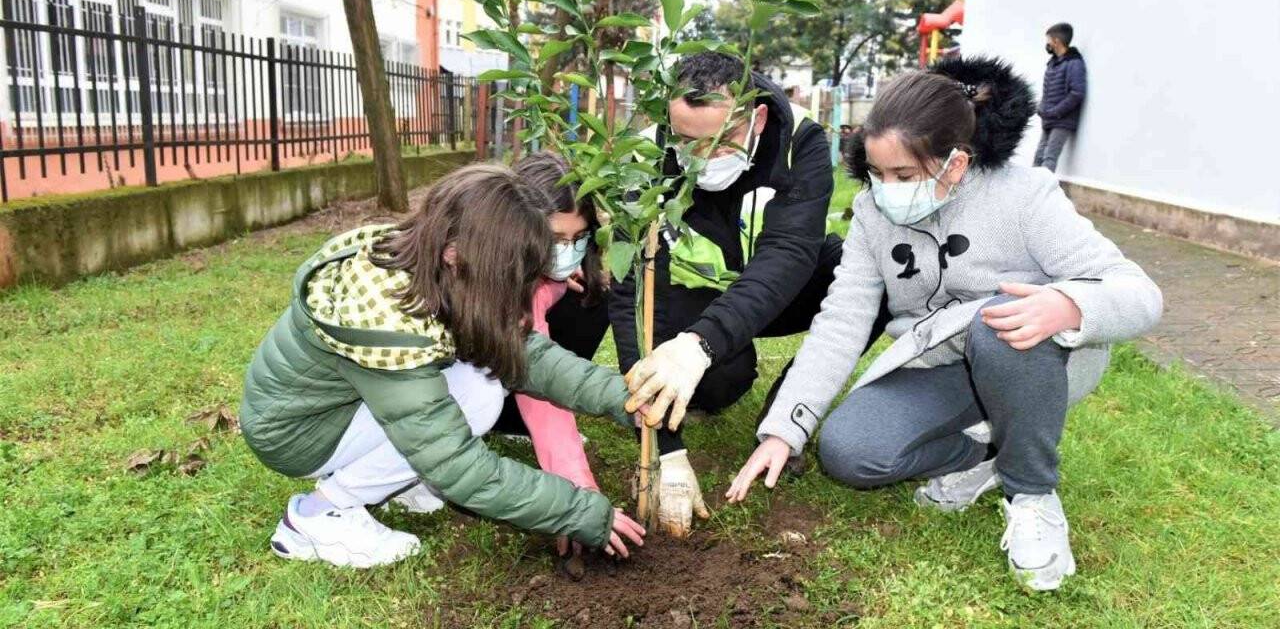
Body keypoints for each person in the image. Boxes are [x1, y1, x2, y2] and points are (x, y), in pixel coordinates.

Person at [726, 57, 1162, 591]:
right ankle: (989, 455)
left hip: (1030, 355)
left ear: (955, 163)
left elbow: (1139, 292)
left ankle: (1030, 494)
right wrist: (784, 430)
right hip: (937, 361)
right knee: (850, 452)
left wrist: (1069, 304)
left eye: (903, 176)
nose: (885, 189)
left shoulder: (1025, 195)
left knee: (994, 319)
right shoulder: (870, 212)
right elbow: (843, 319)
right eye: (876, 173)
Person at [239, 163, 645, 568]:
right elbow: (456, 466)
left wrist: (625, 400)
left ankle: (398, 479)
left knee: (479, 385)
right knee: (478, 399)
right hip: (297, 432)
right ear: (457, 252)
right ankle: (319, 515)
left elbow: (527, 355)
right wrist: (581, 512)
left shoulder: (439, 268)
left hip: (341, 408)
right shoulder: (387, 320)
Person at [613, 51, 892, 536]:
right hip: (697, 294)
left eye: (718, 144)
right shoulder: (643, 157)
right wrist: (666, 446)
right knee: (721, 383)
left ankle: (783, 418)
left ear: (756, 117)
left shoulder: (798, 140)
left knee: (874, 286)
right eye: (685, 141)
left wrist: (700, 345)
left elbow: (789, 251)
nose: (700, 158)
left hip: (783, 287)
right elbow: (630, 294)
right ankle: (713, 376)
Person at [490, 151, 612, 558]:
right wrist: (577, 492)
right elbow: (540, 383)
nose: (570, 250)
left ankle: (508, 423)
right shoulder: (503, 283)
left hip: (503, 370)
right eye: (556, 240)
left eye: (578, 238)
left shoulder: (551, 270)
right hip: (457, 382)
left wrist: (561, 278)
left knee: (592, 300)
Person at [1034, 22, 1086, 172]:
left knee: (1049, 159)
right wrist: (1041, 108)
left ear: (1056, 41)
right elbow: (1048, 90)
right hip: (1049, 119)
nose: (1047, 44)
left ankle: (1042, 194)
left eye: (1048, 40)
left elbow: (1077, 93)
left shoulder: (1074, 63)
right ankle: (1030, 191)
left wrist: (1055, 112)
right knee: (1038, 157)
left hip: (1062, 121)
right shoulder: (1053, 63)